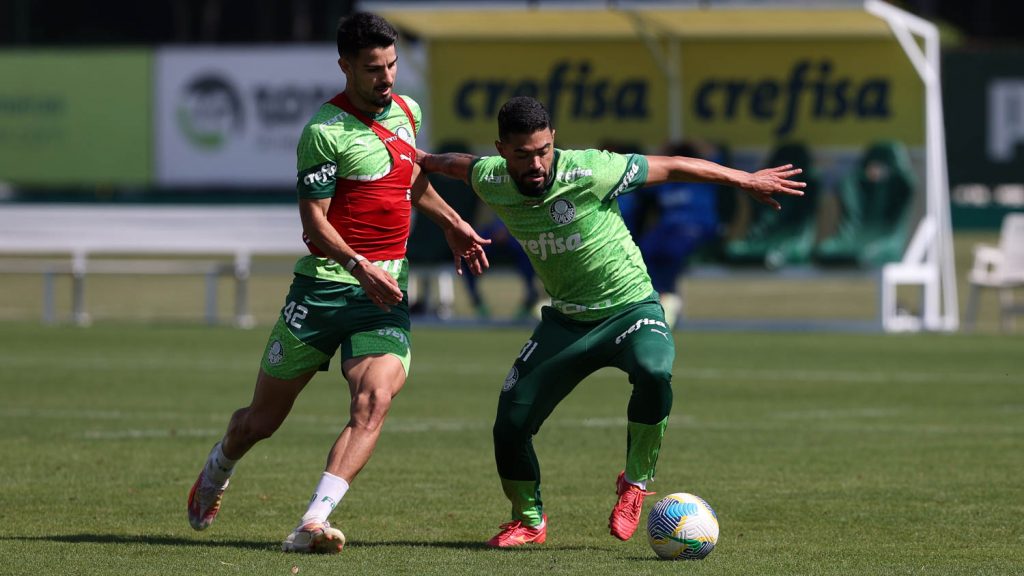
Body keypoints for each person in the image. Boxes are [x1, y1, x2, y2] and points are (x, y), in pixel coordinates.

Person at [417, 96, 804, 548]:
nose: (537, 163)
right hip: (567, 320)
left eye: (543, 150)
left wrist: (743, 179)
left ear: (554, 140)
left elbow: (674, 165)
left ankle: (636, 484)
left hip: (631, 308)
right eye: (523, 155)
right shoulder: (490, 177)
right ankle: (528, 521)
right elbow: (443, 164)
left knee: (655, 370)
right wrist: (420, 168)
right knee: (510, 423)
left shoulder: (591, 169)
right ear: (502, 150)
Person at [186, 12, 489, 554]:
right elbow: (314, 224)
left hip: (384, 294)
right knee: (260, 421)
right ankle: (217, 468)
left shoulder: (408, 113)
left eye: (392, 65)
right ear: (345, 66)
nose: (387, 77)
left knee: (374, 400)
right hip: (324, 289)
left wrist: (451, 221)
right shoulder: (322, 132)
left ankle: (312, 521)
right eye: (374, 68)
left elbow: (409, 179)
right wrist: (359, 266)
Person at [617, 140, 724, 327]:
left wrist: (690, 145)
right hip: (668, 227)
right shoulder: (666, 182)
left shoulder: (703, 177)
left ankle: (667, 296)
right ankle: (657, 298)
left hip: (696, 226)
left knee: (672, 249)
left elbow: (716, 153)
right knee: (645, 249)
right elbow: (648, 175)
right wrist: (666, 152)